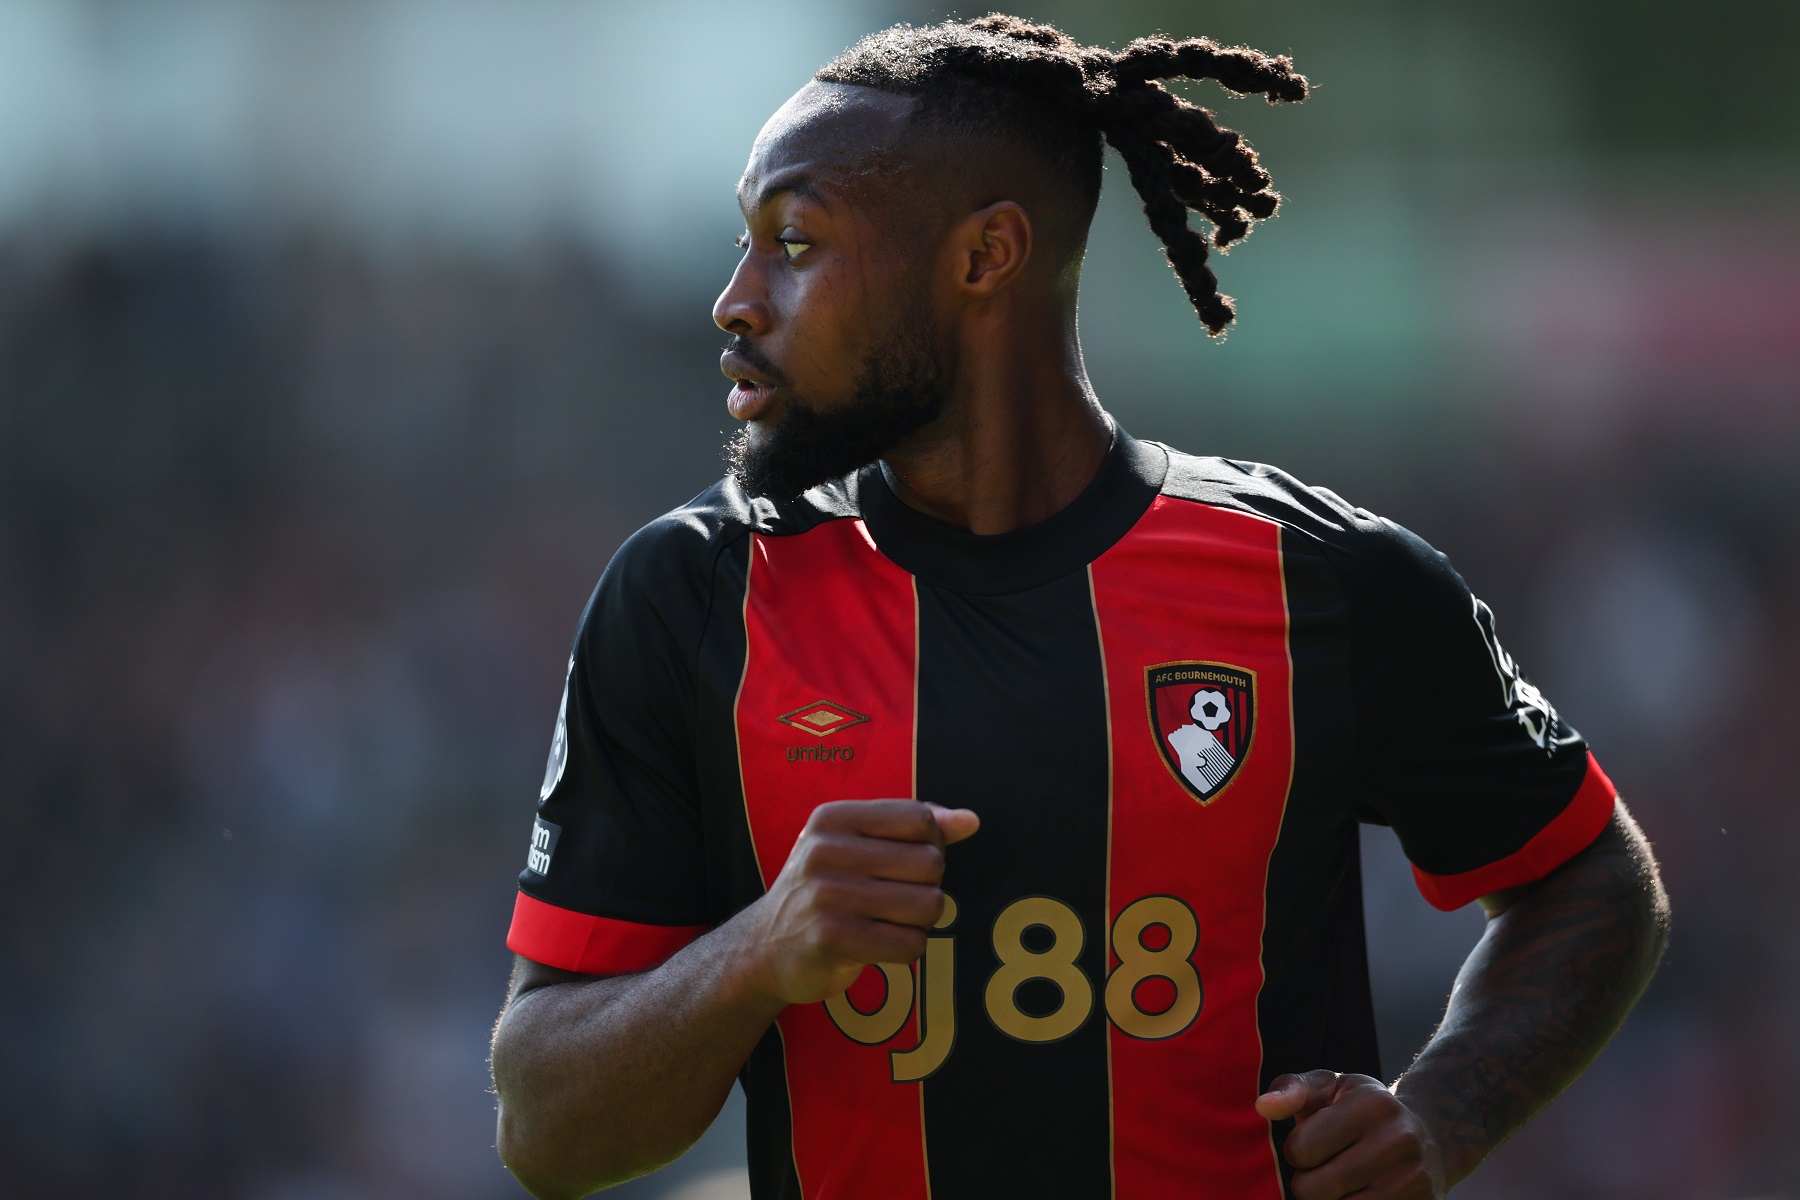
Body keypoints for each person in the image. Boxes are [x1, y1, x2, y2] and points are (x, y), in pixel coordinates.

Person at [488, 16, 1669, 1200]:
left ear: (985, 257)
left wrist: (1442, 1115)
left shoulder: (1321, 580)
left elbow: (1593, 877)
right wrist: (754, 953)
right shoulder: (690, 597)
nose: (736, 301)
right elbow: (546, 1133)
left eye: (793, 242)